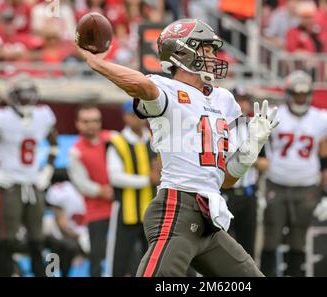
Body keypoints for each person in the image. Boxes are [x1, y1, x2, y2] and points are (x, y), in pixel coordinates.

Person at [76, 18, 278, 277]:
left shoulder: (224, 99)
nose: (213, 56)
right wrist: (97, 63)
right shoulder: (167, 89)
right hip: (177, 208)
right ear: (181, 52)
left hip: (209, 216)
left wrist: (250, 150)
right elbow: (142, 85)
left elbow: (225, 180)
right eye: (205, 49)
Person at [0, 76, 58, 276]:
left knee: (37, 239)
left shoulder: (43, 115)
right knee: (7, 239)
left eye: (29, 94)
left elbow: (54, 143)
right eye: (22, 95)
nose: (26, 99)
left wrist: (48, 169)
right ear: (13, 96)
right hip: (10, 184)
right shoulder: (0, 117)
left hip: (33, 183)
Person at [261, 70, 327, 277]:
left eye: (304, 94)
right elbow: (261, 148)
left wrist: (326, 188)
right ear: (289, 93)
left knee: (299, 238)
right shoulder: (274, 115)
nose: (300, 98)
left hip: (307, 185)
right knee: (271, 236)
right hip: (276, 182)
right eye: (297, 93)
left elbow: (325, 157)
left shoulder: (322, 119)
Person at [105, 101, 160, 276]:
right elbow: (115, 177)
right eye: (133, 114)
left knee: (153, 261)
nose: (138, 118)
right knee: (119, 261)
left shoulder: (154, 141)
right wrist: (147, 180)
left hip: (152, 211)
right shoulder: (118, 142)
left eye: (141, 114)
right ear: (125, 117)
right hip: (126, 211)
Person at [222, 88, 269, 258]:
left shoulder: (254, 126)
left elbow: (265, 164)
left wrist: (248, 157)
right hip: (226, 193)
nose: (241, 104)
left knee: (247, 248)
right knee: (222, 247)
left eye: (244, 100)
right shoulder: (222, 125)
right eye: (238, 100)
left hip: (248, 193)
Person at [68, 104, 113, 277]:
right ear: (78, 123)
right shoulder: (76, 150)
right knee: (97, 257)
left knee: (129, 255)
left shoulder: (113, 138)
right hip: (97, 211)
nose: (92, 125)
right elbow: (81, 183)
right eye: (86, 121)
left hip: (122, 208)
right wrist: (104, 191)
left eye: (95, 121)